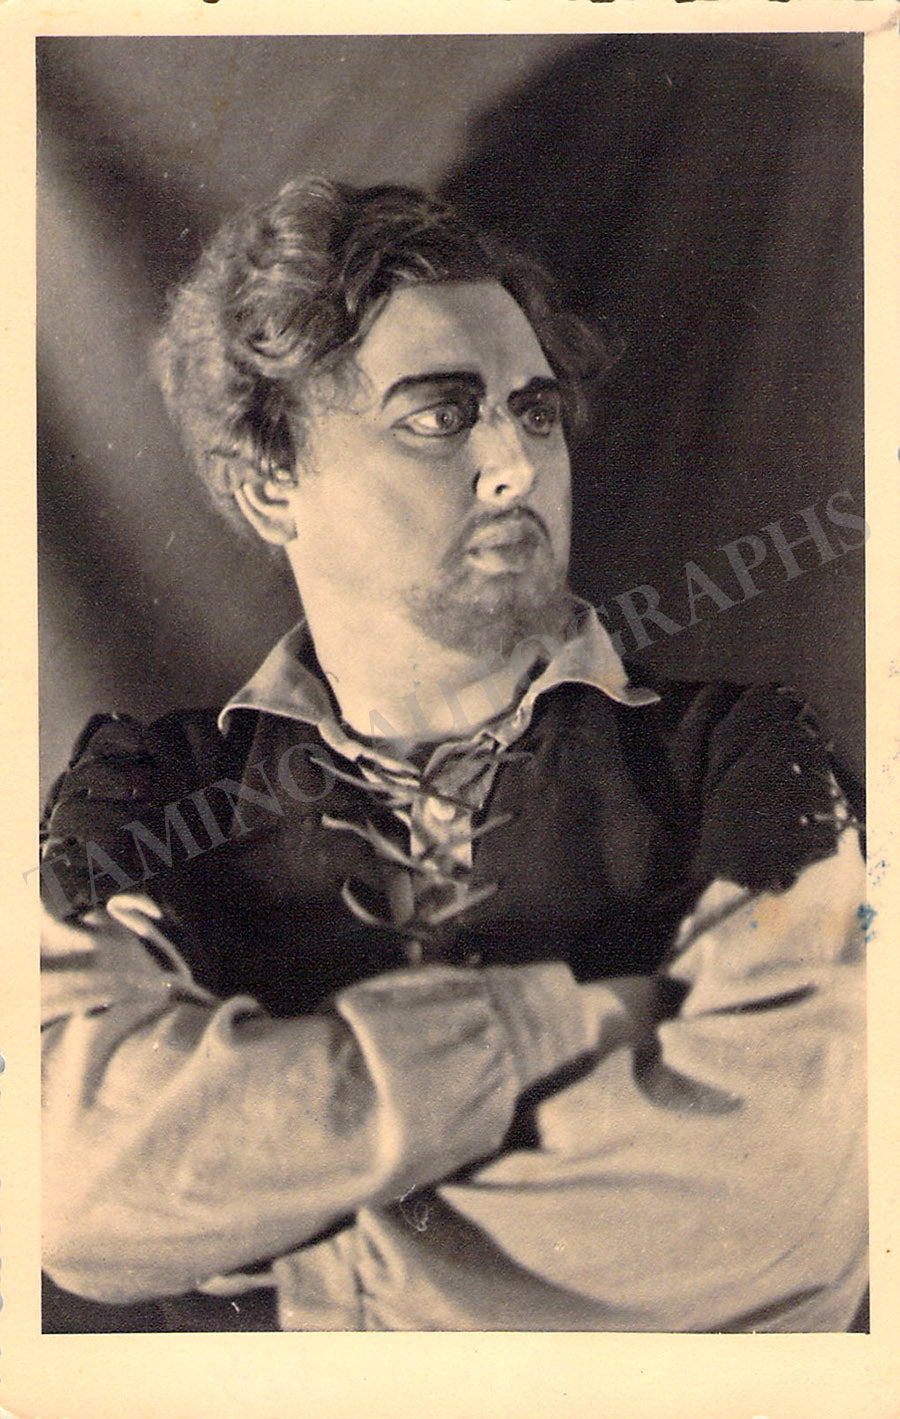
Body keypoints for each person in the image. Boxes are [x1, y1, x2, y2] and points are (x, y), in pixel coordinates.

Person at [39, 177, 867, 1332]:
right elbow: (72, 1185)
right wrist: (577, 1027)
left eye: (534, 412)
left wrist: (282, 1252)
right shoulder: (149, 795)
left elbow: (794, 1198)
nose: (515, 464)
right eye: (440, 416)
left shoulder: (741, 762)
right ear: (270, 485)